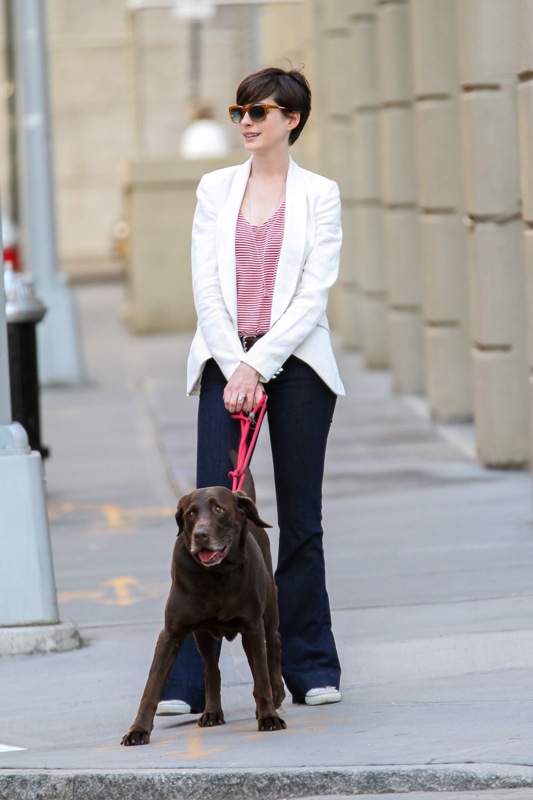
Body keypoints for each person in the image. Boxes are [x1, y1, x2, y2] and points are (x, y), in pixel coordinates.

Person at [157, 66, 345, 715]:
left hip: (296, 364)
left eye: (258, 112)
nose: (245, 122)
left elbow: (312, 294)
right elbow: (206, 286)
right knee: (205, 516)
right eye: (240, 111)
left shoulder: (320, 194)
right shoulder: (215, 188)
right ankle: (185, 681)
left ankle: (310, 665)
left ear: (291, 119)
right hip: (224, 359)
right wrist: (234, 363)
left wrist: (258, 365)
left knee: (299, 521)